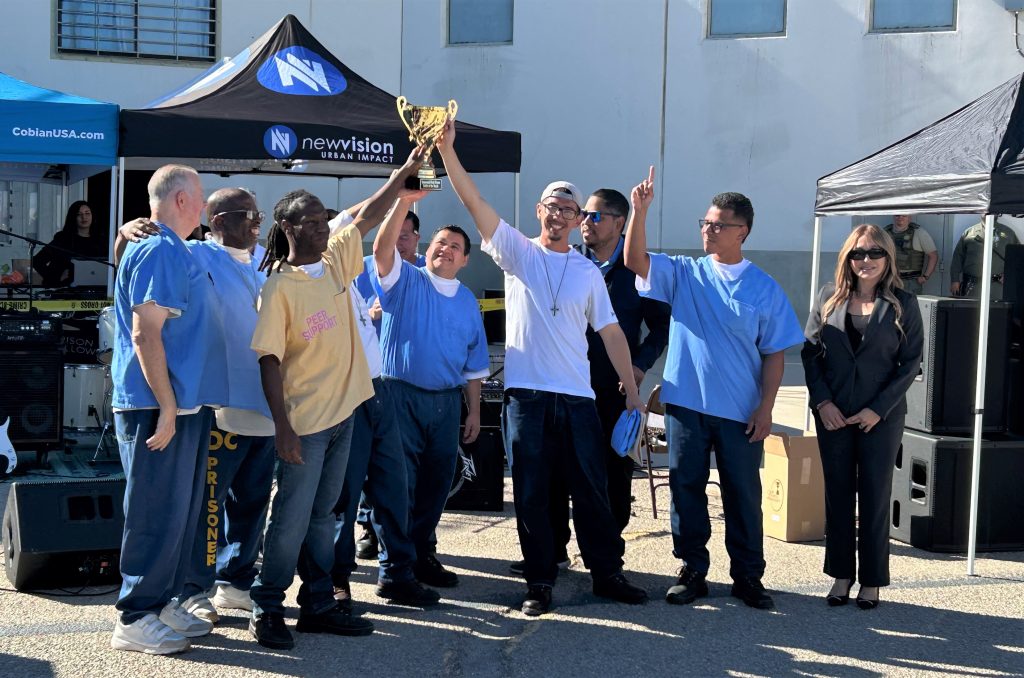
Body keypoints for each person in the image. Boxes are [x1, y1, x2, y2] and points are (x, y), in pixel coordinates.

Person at [438, 119, 648, 616]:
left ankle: (607, 574)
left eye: (568, 210)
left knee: (592, 491)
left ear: (578, 219)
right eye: (551, 206)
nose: (558, 215)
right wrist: (447, 151)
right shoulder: (518, 251)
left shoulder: (587, 272)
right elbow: (474, 202)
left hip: (578, 399)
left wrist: (633, 391)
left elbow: (611, 332)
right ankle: (540, 582)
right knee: (532, 494)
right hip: (527, 398)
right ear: (539, 211)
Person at [247, 148, 424, 650]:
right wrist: (283, 428)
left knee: (325, 516)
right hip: (305, 424)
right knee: (291, 519)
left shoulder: (334, 261)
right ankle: (267, 605)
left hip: (345, 415)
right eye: (309, 221)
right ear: (287, 228)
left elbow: (368, 214)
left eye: (322, 218)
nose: (321, 227)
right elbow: (268, 361)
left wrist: (403, 173)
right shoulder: (279, 288)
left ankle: (318, 602)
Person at [623, 168, 803, 611]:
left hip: (740, 411)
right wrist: (638, 212)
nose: (708, 230)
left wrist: (766, 408)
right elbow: (634, 261)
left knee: (743, 494)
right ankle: (692, 570)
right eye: (705, 222)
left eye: (719, 225)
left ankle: (748, 575)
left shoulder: (763, 288)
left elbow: (775, 354)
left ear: (743, 232)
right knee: (686, 487)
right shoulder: (686, 272)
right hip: (686, 405)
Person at [114, 190, 275, 624]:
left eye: (259, 214)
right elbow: (133, 275)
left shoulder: (267, 259)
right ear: (218, 220)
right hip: (215, 401)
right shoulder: (193, 251)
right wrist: (124, 233)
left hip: (263, 399)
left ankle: (235, 580)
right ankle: (191, 589)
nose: (257, 221)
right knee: (205, 502)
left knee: (252, 500)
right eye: (248, 214)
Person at [509, 188, 671, 576]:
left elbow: (660, 327)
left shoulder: (635, 270)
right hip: (565, 386)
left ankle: (606, 556)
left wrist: (638, 367)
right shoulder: (570, 261)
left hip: (613, 388)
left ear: (619, 222)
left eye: (595, 216)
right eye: (584, 215)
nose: (585, 222)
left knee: (609, 472)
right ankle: (553, 550)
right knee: (553, 473)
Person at [109, 165, 228, 655]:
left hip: (181, 404)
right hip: (157, 404)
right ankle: (135, 616)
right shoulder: (159, 249)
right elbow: (146, 333)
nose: (204, 205)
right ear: (181, 200)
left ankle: (160, 603)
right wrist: (166, 406)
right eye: (199, 196)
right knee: (155, 511)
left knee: (178, 512)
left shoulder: (172, 247)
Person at [801, 224, 923, 609]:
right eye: (857, 253)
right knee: (838, 495)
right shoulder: (828, 297)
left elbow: (910, 364)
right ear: (847, 259)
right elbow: (810, 354)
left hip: (880, 419)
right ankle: (841, 575)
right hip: (834, 415)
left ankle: (871, 581)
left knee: (874, 496)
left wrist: (877, 409)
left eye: (874, 253)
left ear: (887, 257)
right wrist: (823, 403)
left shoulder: (904, 303)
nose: (865, 260)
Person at [372, 192, 489, 589]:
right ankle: (394, 569)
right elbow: (382, 249)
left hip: (445, 404)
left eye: (456, 246)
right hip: (398, 397)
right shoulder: (405, 279)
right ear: (428, 249)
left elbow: (474, 365)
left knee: (435, 486)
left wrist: (474, 412)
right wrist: (403, 201)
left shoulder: (468, 301)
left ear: (465, 259)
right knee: (397, 486)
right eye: (441, 242)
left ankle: (422, 555)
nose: (447, 249)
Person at [330, 202, 441, 608]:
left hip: (379, 391)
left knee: (393, 486)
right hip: (347, 393)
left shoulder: (355, 278)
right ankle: (335, 580)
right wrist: (402, 190)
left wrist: (404, 188)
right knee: (345, 494)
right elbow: (365, 225)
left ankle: (396, 574)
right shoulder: (317, 276)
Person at [346, 203, 427, 559]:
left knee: (401, 465)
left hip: (414, 380)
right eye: (392, 235)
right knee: (367, 461)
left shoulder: (428, 270)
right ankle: (367, 527)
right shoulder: (362, 268)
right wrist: (370, 312)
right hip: (372, 378)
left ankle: (410, 539)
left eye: (404, 236)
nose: (398, 243)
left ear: (417, 238)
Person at [34, 200, 107, 286]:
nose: (84, 217)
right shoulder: (63, 239)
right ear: (73, 217)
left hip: (94, 286)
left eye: (87, 213)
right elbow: (37, 261)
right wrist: (55, 278)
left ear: (92, 216)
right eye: (79, 214)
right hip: (65, 289)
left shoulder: (100, 240)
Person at [950, 219, 1020, 299]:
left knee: (998, 307)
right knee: (971, 307)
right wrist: (955, 280)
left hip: (999, 288)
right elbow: (957, 258)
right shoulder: (969, 233)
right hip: (972, 287)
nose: (987, 213)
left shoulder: (1009, 233)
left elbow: (1019, 258)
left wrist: (1010, 275)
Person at [883, 215, 937, 295]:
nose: (900, 218)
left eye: (904, 215)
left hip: (911, 281)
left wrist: (925, 276)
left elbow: (933, 256)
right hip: (890, 280)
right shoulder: (885, 233)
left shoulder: (919, 233)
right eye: (897, 215)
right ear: (893, 216)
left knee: (910, 303)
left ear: (909, 218)